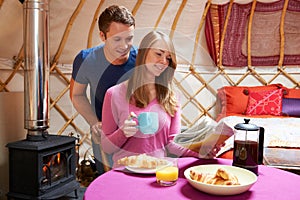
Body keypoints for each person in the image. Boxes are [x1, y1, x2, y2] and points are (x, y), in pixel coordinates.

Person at [100, 30, 222, 167]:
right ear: (143, 54)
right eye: (158, 54)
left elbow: (172, 143)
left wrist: (200, 154)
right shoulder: (114, 94)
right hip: (125, 171)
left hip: (158, 170)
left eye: (168, 58)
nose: (164, 62)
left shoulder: (172, 98)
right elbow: (106, 147)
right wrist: (122, 132)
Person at [70, 5, 137, 175]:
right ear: (102, 36)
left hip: (137, 134)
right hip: (104, 135)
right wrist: (94, 122)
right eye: (117, 39)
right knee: (108, 182)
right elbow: (76, 94)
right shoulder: (86, 60)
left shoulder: (141, 59)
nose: (125, 46)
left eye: (129, 38)